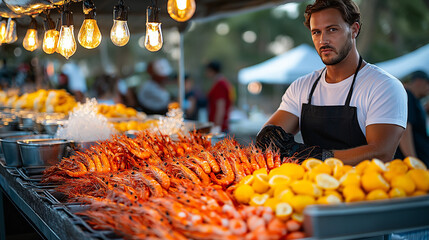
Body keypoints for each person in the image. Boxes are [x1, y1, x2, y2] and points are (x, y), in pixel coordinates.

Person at [256, 0, 407, 165]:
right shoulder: (302, 87)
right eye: (316, 32)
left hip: (363, 188)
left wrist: (317, 157)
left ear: (354, 30)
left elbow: (380, 152)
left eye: (332, 30)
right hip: (309, 187)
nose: (323, 40)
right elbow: (267, 138)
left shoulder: (383, 86)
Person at [396, 71, 429, 166]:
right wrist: (413, 161)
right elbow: (404, 130)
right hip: (414, 165)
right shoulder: (407, 95)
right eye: (428, 84)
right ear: (419, 81)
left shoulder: (414, 99)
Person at [206, 60, 233, 132]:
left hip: (220, 127)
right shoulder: (221, 83)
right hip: (221, 125)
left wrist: (216, 126)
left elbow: (220, 107)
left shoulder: (220, 84)